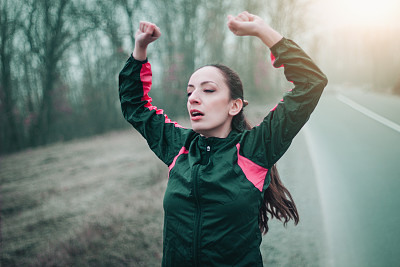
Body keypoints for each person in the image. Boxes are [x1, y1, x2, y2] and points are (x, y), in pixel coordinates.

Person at [119, 11, 327, 267]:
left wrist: (263, 31)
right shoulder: (179, 148)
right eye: (190, 92)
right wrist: (140, 48)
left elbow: (311, 83)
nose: (193, 97)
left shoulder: (256, 149)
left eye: (208, 90)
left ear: (234, 106)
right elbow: (135, 107)